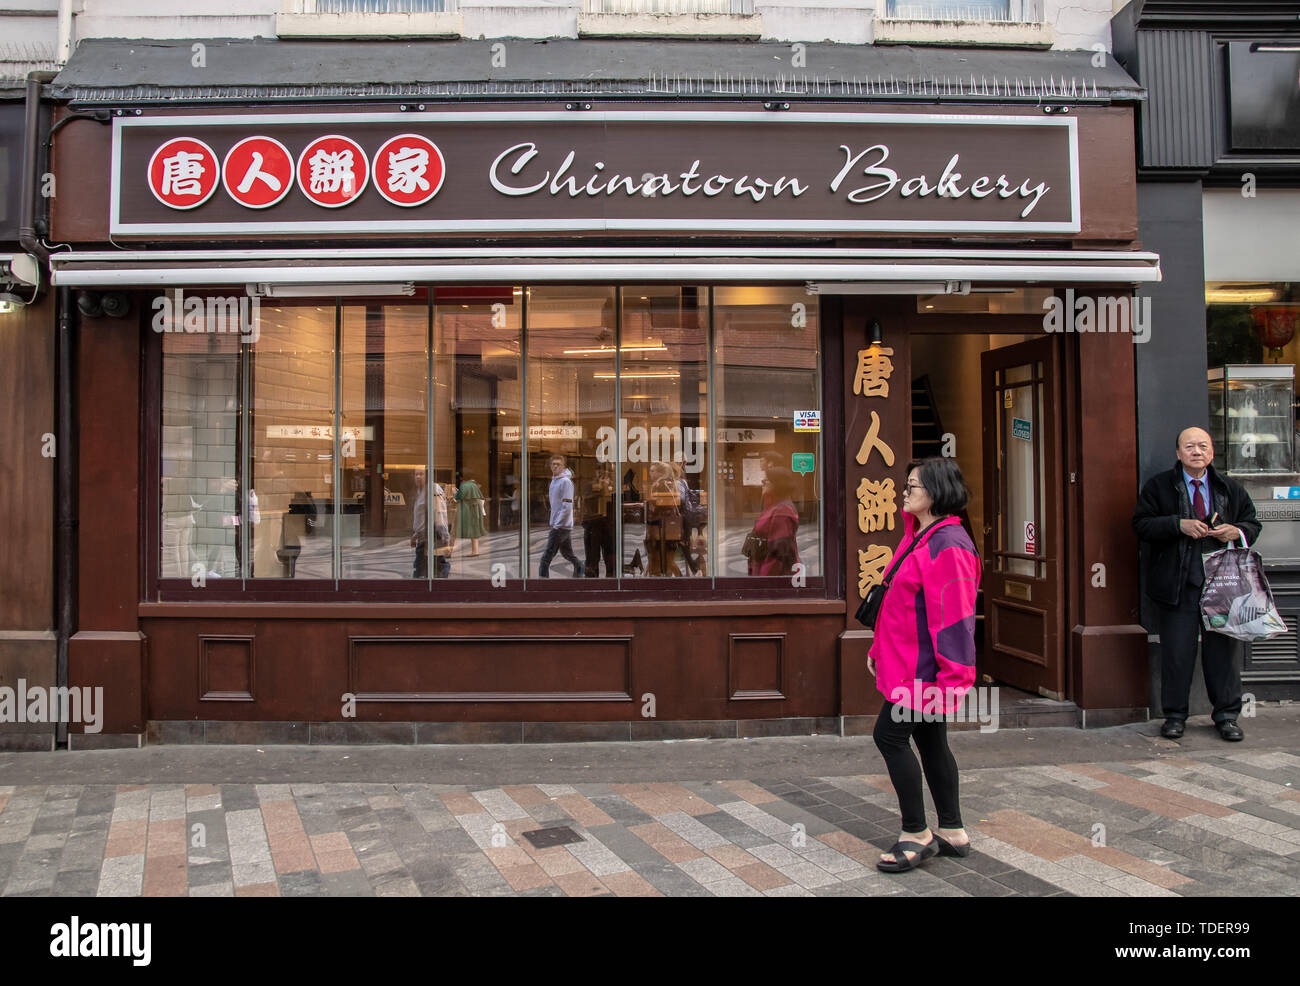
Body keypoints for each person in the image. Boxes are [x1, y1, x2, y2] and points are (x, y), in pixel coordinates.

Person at [869, 457, 980, 873]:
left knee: (889, 737)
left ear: (935, 492)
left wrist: (953, 679)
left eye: (912, 486)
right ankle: (952, 831)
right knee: (932, 741)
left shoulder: (947, 544)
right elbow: (900, 603)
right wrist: (878, 650)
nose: (904, 491)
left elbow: (954, 620)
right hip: (909, 665)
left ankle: (916, 834)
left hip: (924, 673)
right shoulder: (921, 535)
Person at [1132, 426, 1260, 742]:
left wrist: (1236, 531)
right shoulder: (1160, 487)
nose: (1197, 451)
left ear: (1212, 452)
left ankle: (1227, 717)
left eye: (1203, 446)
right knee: (1177, 654)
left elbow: (1252, 523)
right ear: (1178, 452)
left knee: (1222, 656)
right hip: (1178, 586)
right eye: (1189, 446)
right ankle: (1175, 716)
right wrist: (1178, 524)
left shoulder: (1229, 488)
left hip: (1221, 586)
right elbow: (1141, 525)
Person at [745, 466, 800, 576]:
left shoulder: (782, 510)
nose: (762, 484)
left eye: (765, 481)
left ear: (777, 484)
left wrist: (764, 583)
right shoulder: (773, 506)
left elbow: (778, 553)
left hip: (771, 578)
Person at [539, 454, 581, 578]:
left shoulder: (565, 482)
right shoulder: (555, 480)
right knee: (568, 554)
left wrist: (557, 524)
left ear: (564, 467)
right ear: (550, 466)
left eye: (559, 464)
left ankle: (542, 583)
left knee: (546, 558)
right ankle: (580, 569)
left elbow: (567, 506)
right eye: (553, 464)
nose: (556, 466)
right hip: (561, 525)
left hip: (561, 526)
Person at [645, 461, 683, 576]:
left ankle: (677, 580)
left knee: (659, 559)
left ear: (660, 473)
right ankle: (675, 580)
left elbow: (660, 504)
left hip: (660, 527)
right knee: (667, 560)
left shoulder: (660, 484)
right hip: (669, 527)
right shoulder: (671, 483)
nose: (650, 474)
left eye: (653, 471)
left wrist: (649, 505)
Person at [581, 461, 617, 578]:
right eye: (599, 470)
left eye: (605, 471)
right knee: (592, 559)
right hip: (593, 526)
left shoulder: (614, 486)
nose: (602, 474)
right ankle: (591, 584)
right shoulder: (589, 486)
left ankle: (611, 583)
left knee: (610, 558)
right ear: (596, 472)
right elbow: (584, 502)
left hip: (608, 526)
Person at [454, 472, 486, 556]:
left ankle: (449, 551)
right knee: (475, 529)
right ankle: (475, 551)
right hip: (476, 509)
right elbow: (480, 497)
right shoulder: (475, 485)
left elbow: (459, 497)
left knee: (455, 530)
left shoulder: (464, 485)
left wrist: (455, 492)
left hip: (467, 509)